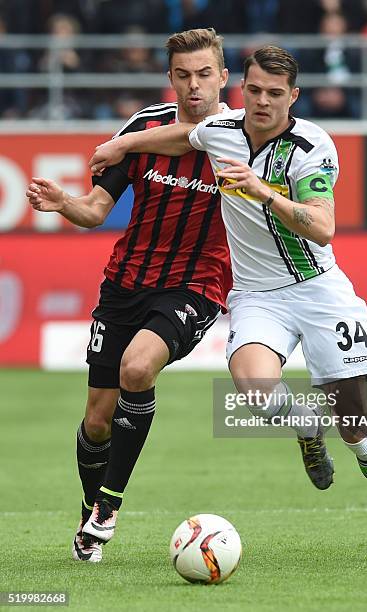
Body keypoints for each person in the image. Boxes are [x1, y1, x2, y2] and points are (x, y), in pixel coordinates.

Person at [89, 45, 367, 562]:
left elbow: (323, 227)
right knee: (253, 390)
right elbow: (182, 137)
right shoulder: (223, 130)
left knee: (357, 426)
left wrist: (261, 190)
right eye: (254, 90)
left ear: (292, 97)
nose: (262, 102)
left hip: (320, 291)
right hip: (257, 295)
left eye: (275, 94)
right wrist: (122, 146)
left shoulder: (312, 146)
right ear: (242, 89)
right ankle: (303, 422)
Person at [26, 28, 233, 564]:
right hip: (125, 283)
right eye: (183, 76)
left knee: (138, 369)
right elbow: (96, 211)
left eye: (204, 74)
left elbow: (206, 142)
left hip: (196, 284)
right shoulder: (143, 127)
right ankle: (91, 503)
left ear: (224, 77)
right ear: (170, 80)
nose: (194, 86)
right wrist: (62, 203)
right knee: (97, 419)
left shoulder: (243, 137)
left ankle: (109, 507)